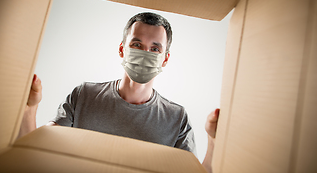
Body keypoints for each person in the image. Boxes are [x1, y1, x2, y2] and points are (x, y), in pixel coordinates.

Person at [18, 12, 219, 173]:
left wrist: (214, 142)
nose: (144, 54)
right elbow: (35, 154)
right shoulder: (84, 96)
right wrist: (29, 108)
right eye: (137, 45)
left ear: (165, 59)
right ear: (122, 49)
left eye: (155, 49)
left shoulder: (177, 118)